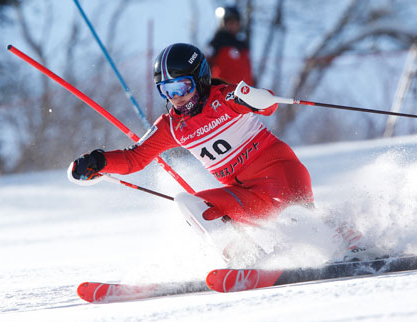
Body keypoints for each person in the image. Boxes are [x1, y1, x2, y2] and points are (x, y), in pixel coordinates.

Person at [69, 43, 314, 261]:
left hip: (280, 177)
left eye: (182, 87)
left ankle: (347, 241)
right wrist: (98, 162)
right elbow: (134, 159)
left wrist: (253, 98)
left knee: (301, 226)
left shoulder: (224, 98)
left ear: (200, 79)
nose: (176, 98)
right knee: (189, 202)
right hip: (245, 197)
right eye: (166, 90)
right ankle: (246, 259)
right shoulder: (171, 127)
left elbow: (268, 105)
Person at [206, 6, 254, 85]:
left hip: (244, 93)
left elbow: (248, 72)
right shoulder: (216, 43)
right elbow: (205, 67)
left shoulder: (242, 46)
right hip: (222, 93)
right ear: (223, 23)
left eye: (235, 22)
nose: (233, 26)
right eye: (230, 22)